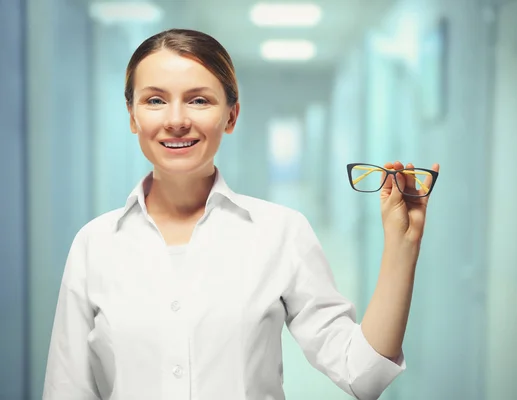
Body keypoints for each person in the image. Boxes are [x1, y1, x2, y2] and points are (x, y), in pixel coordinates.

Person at [42, 29, 440, 400]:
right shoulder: (94, 245)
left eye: (199, 100)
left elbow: (362, 375)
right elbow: (67, 388)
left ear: (231, 116)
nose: (177, 120)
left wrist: (402, 248)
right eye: (155, 100)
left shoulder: (281, 232)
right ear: (132, 116)